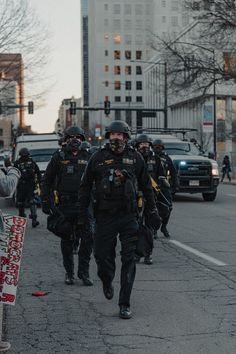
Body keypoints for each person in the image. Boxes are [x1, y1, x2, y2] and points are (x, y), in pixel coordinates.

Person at [77, 120, 160, 319]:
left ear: (126, 137)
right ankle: (106, 280)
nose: (116, 138)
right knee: (102, 257)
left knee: (129, 258)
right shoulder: (97, 158)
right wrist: (82, 213)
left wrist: (152, 210)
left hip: (129, 215)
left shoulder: (135, 158)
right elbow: (85, 186)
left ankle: (125, 303)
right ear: (108, 137)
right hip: (104, 216)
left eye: (119, 135)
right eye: (112, 135)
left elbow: (147, 187)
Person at [41, 126, 93, 286]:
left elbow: (99, 179)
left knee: (87, 239)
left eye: (78, 137)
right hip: (65, 205)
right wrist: (46, 201)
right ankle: (69, 273)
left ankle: (84, 273)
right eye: (71, 137)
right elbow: (47, 181)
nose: (74, 140)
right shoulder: (59, 157)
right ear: (65, 140)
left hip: (85, 205)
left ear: (82, 139)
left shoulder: (90, 156)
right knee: (67, 239)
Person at [135, 134, 166, 264]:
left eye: (147, 144)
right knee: (135, 227)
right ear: (137, 146)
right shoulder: (133, 158)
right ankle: (137, 254)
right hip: (135, 197)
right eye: (142, 144)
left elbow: (161, 176)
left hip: (150, 197)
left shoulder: (156, 159)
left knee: (149, 228)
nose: (145, 146)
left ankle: (148, 254)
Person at [152, 139, 179, 238]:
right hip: (152, 186)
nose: (158, 148)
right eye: (156, 147)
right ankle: (154, 229)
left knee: (168, 207)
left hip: (164, 186)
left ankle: (164, 227)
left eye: (159, 147)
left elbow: (173, 172)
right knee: (153, 208)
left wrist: (175, 185)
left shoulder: (166, 158)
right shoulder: (150, 157)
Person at [13, 148, 41, 227]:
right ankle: (21, 218)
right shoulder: (17, 163)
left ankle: (34, 219)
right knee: (20, 203)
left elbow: (38, 173)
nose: (24, 157)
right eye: (23, 156)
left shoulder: (32, 162)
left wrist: (40, 181)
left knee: (32, 202)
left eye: (26, 155)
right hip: (21, 185)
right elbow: (13, 174)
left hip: (30, 185)